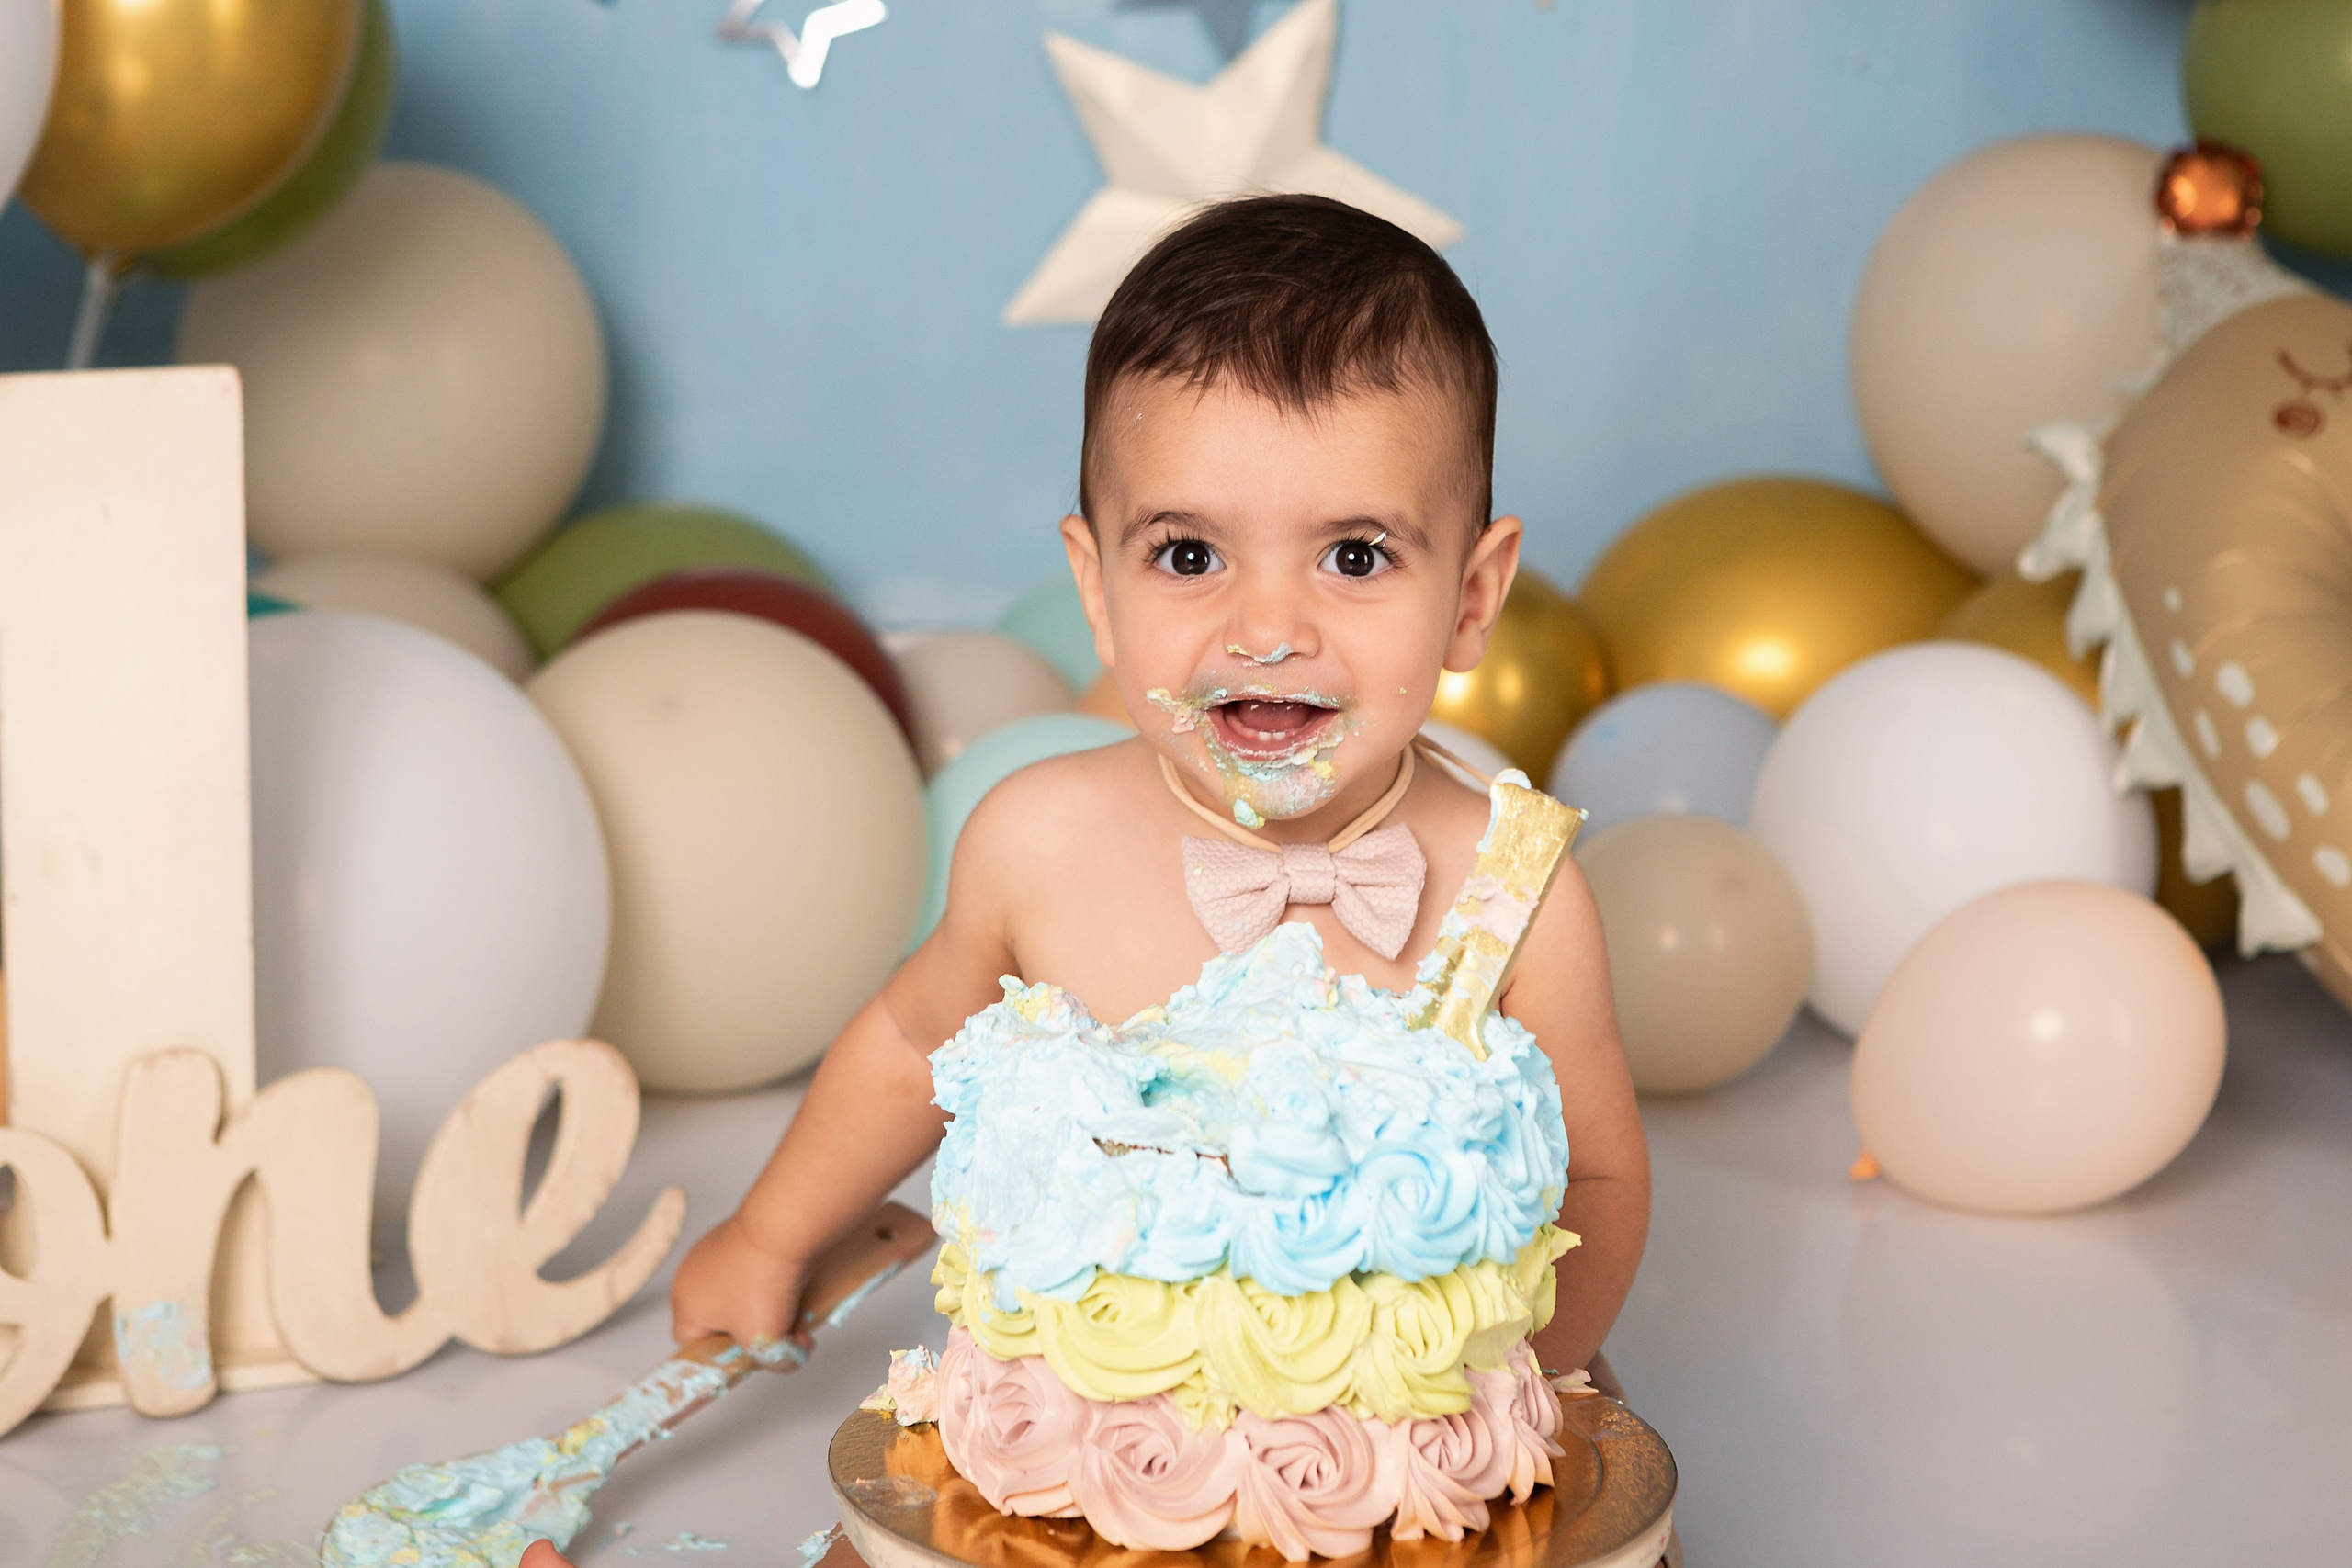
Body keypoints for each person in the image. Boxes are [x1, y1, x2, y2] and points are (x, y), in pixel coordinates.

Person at [673, 192, 1649, 1395]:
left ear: (1472, 596)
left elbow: (1600, 1178)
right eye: (1189, 556)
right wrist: (768, 1236)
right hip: (1101, 1428)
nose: (1268, 628)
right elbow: (911, 1044)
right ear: (1096, 585)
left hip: (1430, 1422)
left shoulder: (1515, 889)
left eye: (1355, 556)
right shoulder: (1041, 843)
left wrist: (1482, 1393)